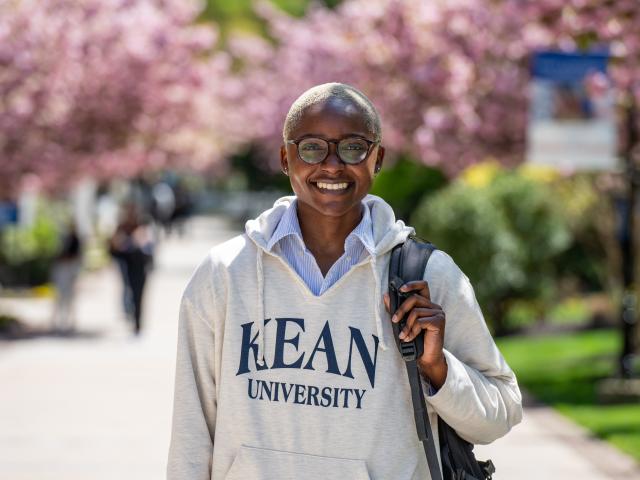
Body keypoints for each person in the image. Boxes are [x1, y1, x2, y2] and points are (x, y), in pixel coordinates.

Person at [167, 83, 523, 479]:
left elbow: (501, 413)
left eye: (353, 147)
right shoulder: (224, 274)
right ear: (286, 158)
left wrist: (437, 368)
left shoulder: (425, 275)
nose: (333, 165)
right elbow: (191, 430)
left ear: (378, 158)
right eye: (312, 148)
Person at [109, 203, 154, 335]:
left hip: (141, 268)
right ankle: (130, 313)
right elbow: (114, 247)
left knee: (139, 295)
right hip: (128, 266)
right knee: (129, 291)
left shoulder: (142, 228)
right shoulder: (122, 227)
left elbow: (149, 248)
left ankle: (138, 322)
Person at [50, 221, 82, 333]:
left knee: (70, 297)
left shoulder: (76, 240)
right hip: (62, 271)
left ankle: (69, 321)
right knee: (59, 296)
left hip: (69, 271)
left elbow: (76, 257)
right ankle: (57, 321)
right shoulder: (63, 239)